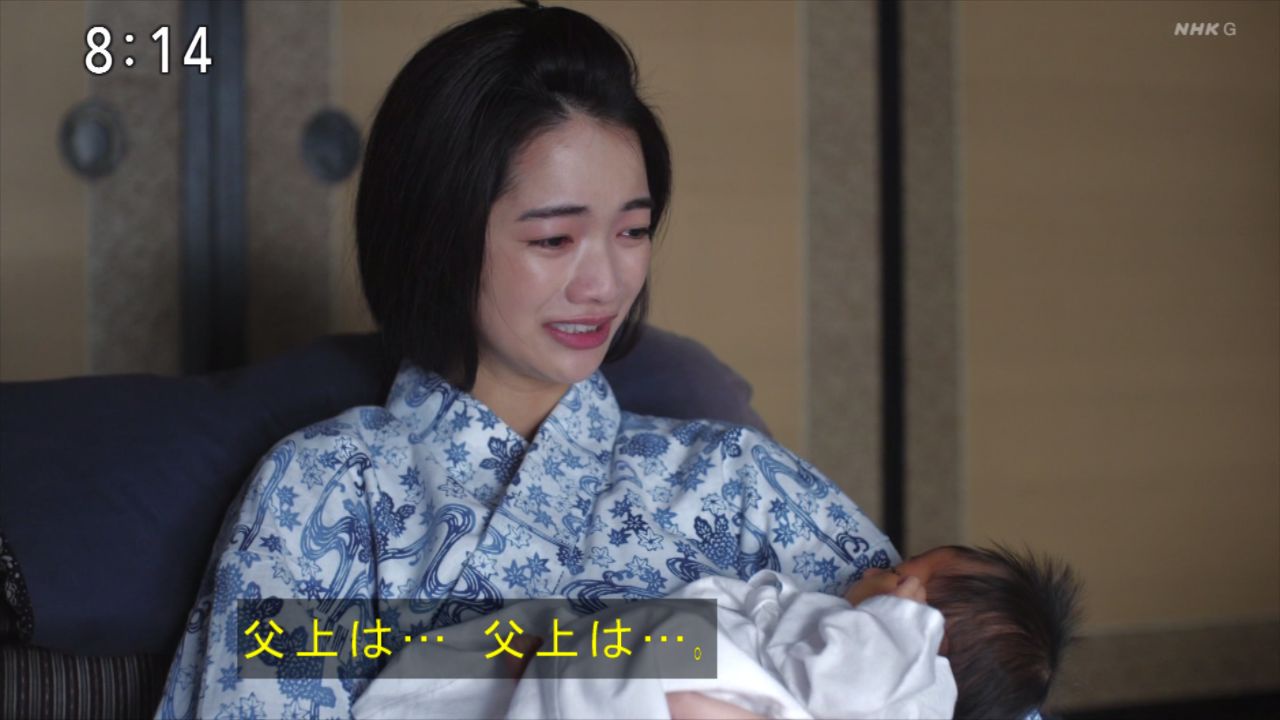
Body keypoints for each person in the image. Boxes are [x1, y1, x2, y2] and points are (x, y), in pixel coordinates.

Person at [156, 4, 897, 718]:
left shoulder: (741, 483)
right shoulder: (322, 492)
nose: (604, 284)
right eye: (553, 240)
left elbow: (932, 666)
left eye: (633, 232)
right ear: (436, 235)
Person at [351, 545, 1081, 720]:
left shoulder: (898, 657)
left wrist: (898, 624)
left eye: (900, 571)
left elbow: (846, 675)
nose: (876, 566)